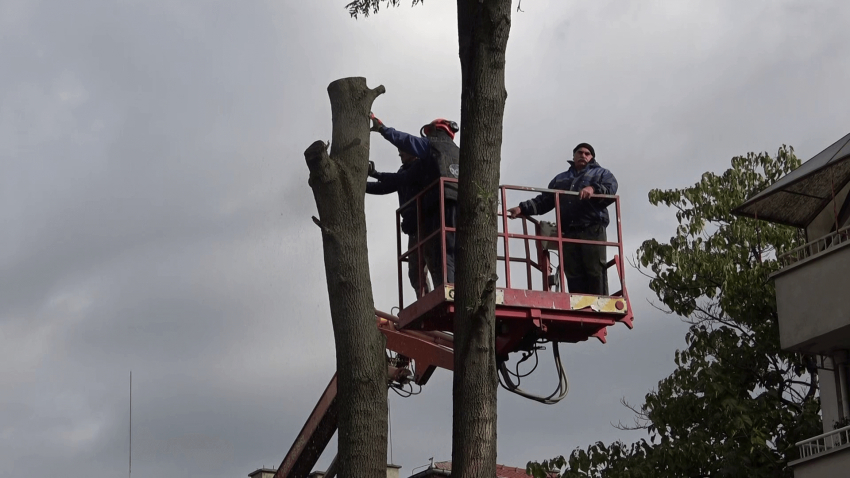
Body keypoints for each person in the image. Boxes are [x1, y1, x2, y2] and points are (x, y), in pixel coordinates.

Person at [506, 143, 618, 295]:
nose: (583, 155)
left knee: (594, 270)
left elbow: (610, 188)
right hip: (568, 232)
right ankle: (578, 306)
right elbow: (544, 201)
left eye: (587, 153)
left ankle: (599, 305)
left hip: (592, 229)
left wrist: (593, 189)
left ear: (592, 157)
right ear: (574, 156)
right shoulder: (561, 179)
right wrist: (522, 208)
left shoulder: (602, 173)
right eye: (580, 152)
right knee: (573, 272)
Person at [368, 114, 460, 286]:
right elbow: (399, 180)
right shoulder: (460, 153)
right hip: (459, 205)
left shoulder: (430, 149)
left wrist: (382, 128)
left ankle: (447, 290)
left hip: (435, 210)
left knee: (441, 252)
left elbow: (406, 142)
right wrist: (375, 176)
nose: (400, 152)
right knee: (452, 251)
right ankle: (452, 289)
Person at [366, 148, 432, 298]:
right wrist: (362, 186)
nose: (400, 154)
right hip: (413, 227)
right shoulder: (403, 171)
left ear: (413, 151)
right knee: (415, 271)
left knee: (433, 263)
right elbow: (385, 187)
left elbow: (399, 180)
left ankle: (437, 297)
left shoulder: (419, 167)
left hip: (426, 223)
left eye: (403, 150)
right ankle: (425, 299)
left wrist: (376, 174)